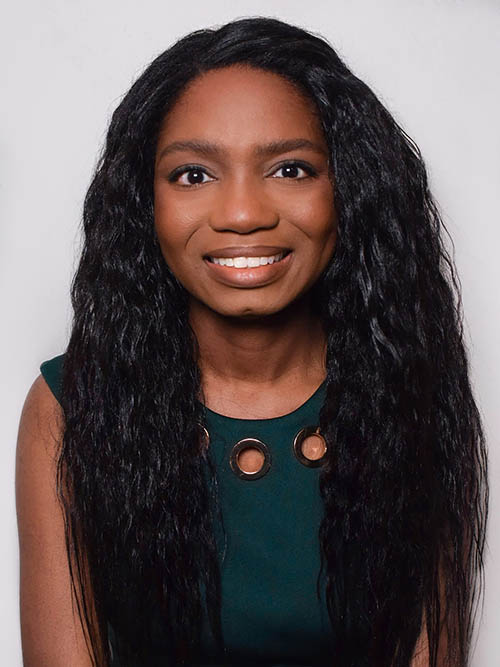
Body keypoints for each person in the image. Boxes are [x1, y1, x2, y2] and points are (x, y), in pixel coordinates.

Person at [15, 16, 488, 667]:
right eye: (193, 174)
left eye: (291, 168)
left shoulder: (412, 393)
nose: (243, 213)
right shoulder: (69, 408)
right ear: (143, 201)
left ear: (348, 189)